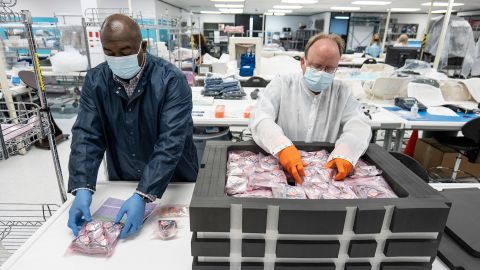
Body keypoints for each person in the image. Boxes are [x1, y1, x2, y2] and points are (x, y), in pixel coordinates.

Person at [67, 14, 198, 239]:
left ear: (143, 46)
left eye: (126, 51)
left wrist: (143, 194)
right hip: (124, 178)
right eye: (110, 52)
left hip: (175, 182)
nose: (117, 59)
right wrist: (82, 187)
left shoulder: (171, 80)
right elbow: (87, 135)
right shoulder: (96, 81)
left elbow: (171, 141)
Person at [249, 33, 372, 184]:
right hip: (281, 167)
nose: (322, 73)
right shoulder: (282, 84)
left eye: (329, 69)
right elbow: (261, 118)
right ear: (303, 63)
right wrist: (281, 147)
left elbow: (359, 124)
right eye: (317, 66)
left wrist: (345, 153)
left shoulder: (342, 92)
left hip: (324, 171)